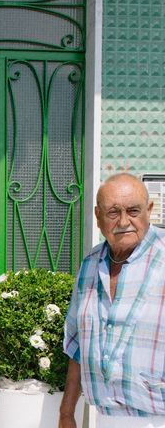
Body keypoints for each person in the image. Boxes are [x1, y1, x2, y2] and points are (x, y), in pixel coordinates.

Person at [59, 173, 165, 428]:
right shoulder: (90, 264)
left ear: (149, 210)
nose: (124, 221)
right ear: (98, 216)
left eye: (133, 211)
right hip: (105, 418)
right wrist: (66, 412)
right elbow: (77, 346)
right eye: (113, 212)